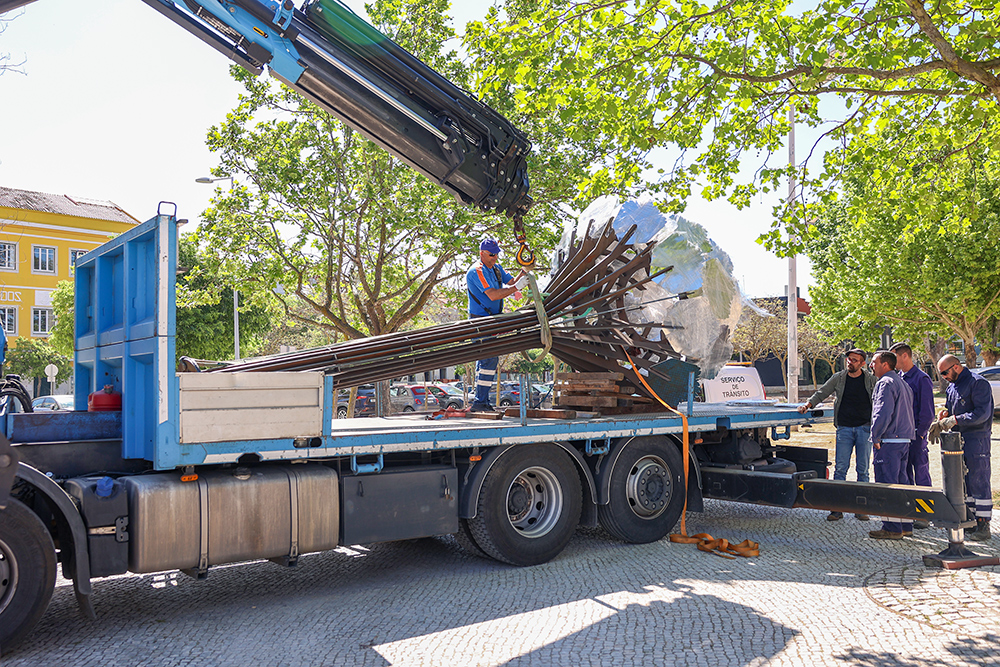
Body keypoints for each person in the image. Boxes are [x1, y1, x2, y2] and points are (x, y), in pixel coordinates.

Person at [799, 348, 876, 521]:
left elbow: (880, 400)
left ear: (863, 363)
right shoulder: (839, 378)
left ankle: (861, 507)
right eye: (849, 359)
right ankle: (836, 508)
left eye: (855, 360)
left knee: (863, 470)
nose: (850, 362)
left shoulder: (871, 380)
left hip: (865, 428)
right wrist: (808, 405)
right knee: (840, 469)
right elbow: (822, 393)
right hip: (844, 429)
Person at [466, 238, 530, 412]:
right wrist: (516, 287)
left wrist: (524, 270)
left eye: (496, 254)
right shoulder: (476, 271)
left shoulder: (496, 269)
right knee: (489, 359)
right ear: (482, 253)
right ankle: (480, 402)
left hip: (492, 321)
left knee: (487, 360)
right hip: (481, 322)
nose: (495, 257)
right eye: (491, 255)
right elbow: (493, 295)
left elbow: (511, 282)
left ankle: (482, 401)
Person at [934, 354, 994, 541]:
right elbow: (952, 409)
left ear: (956, 367)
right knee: (964, 482)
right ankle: (971, 520)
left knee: (978, 479)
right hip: (958, 439)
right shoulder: (953, 386)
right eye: (941, 374)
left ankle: (983, 524)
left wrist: (956, 419)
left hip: (977, 439)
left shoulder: (978, 383)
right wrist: (945, 414)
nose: (944, 377)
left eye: (945, 372)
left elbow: (981, 414)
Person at [868, 350, 916, 539]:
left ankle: (891, 528)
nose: (871, 365)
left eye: (873, 362)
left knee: (887, 485)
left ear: (885, 364)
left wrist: (875, 436)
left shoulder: (885, 383)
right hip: (903, 440)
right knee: (902, 484)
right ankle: (906, 525)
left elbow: (883, 411)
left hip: (888, 441)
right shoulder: (903, 383)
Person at [888, 342, 935, 530]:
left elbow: (927, 412)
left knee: (921, 474)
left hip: (916, 436)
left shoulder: (921, 379)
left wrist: (921, 434)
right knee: (905, 475)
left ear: (905, 356)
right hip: (901, 436)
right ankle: (909, 513)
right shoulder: (898, 377)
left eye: (894, 357)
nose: (892, 362)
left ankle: (924, 514)